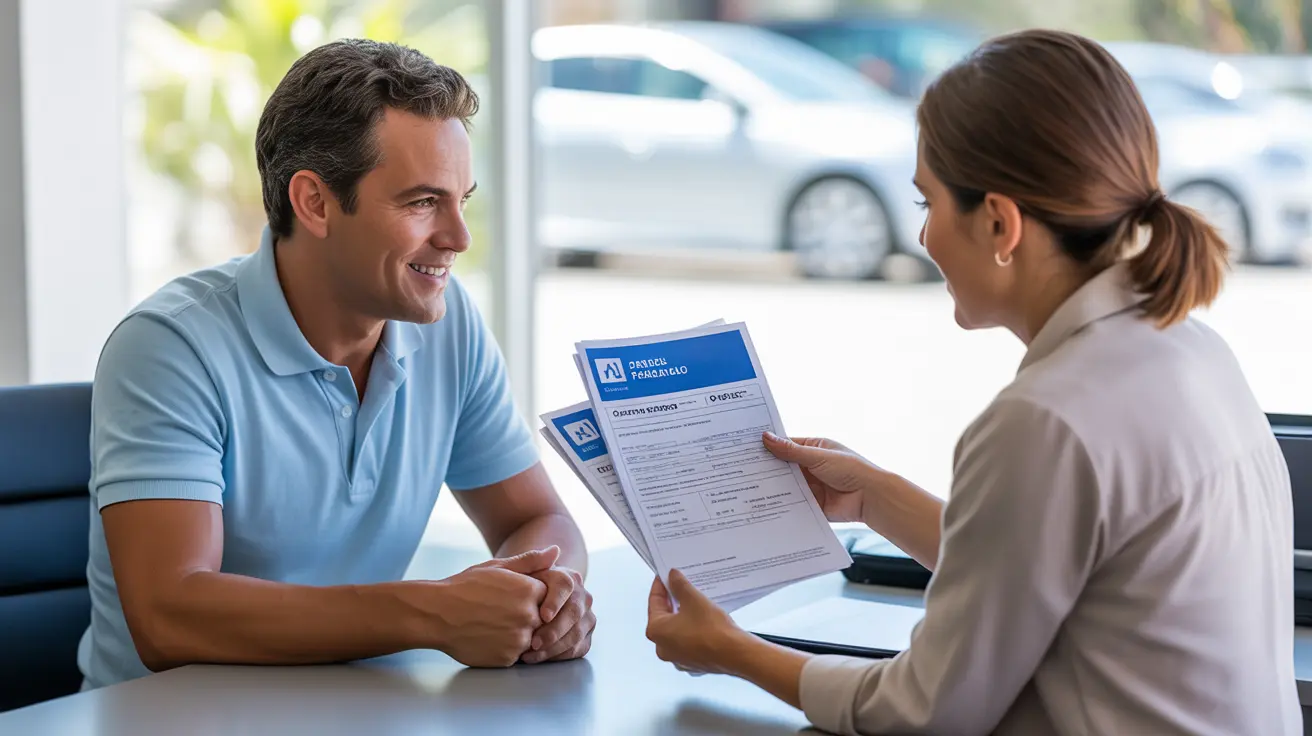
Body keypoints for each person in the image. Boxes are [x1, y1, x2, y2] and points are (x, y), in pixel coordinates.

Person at [644, 28, 1301, 736]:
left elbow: (924, 711)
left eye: (928, 205)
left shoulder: (1048, 418)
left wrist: (734, 652)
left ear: (998, 222)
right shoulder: (1193, 351)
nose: (923, 239)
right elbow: (1043, 573)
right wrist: (874, 496)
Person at [78, 39, 595, 690]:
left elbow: (536, 521)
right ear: (315, 203)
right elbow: (169, 614)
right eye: (421, 203)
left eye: (462, 199)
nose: (459, 238)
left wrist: (547, 596)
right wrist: (432, 612)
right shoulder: (169, 347)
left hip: (361, 707)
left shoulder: (447, 322)